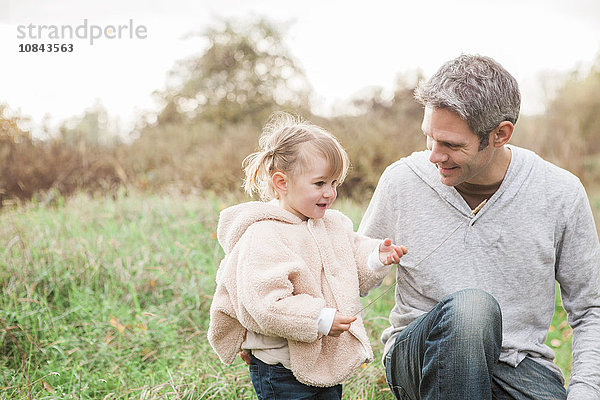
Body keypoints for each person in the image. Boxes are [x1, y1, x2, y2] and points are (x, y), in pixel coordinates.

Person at [358, 54, 600, 399]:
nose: (433, 155)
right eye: (430, 137)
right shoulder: (402, 181)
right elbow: (350, 277)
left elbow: (591, 308)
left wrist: (586, 390)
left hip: (519, 368)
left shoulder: (560, 193)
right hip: (420, 357)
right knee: (472, 310)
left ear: (500, 134)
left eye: (451, 145)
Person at [207, 112, 407, 399]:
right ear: (281, 182)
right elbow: (265, 303)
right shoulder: (265, 234)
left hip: (323, 359)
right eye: (319, 183)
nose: (330, 193)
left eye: (335, 183)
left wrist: (375, 256)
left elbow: (347, 264)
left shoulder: (331, 225)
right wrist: (318, 318)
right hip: (280, 367)